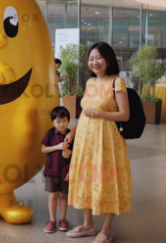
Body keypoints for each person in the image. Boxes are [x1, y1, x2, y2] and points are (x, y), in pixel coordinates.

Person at [64, 42, 131, 243]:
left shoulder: (117, 82)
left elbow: (124, 115)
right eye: (91, 58)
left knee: (106, 181)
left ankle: (106, 230)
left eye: (98, 57)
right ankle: (88, 225)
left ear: (108, 59)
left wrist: (98, 113)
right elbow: (85, 112)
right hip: (85, 141)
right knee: (85, 178)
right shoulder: (91, 83)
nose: (94, 62)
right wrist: (74, 131)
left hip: (107, 141)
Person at [41, 106, 75, 233]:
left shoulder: (71, 135)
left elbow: (76, 152)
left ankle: (63, 219)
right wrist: (58, 146)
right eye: (58, 121)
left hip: (65, 171)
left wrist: (70, 153)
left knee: (64, 196)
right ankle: (52, 220)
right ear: (53, 122)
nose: (61, 124)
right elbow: (43, 149)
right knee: (53, 196)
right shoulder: (50, 133)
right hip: (51, 171)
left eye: (64, 120)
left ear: (68, 120)